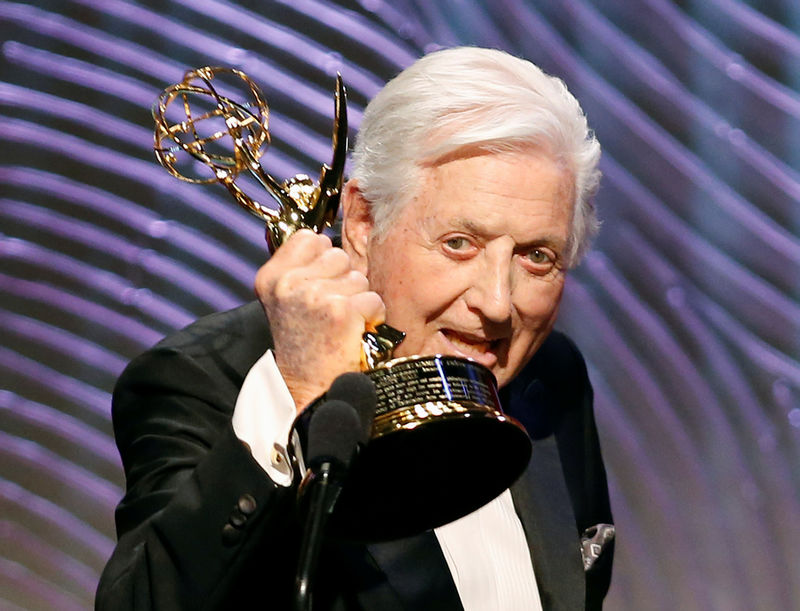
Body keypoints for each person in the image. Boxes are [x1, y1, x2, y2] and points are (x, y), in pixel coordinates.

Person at [96, 47, 614, 610]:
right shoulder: (203, 380)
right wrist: (297, 396)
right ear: (364, 224)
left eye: (536, 256)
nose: (496, 303)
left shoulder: (551, 378)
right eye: (459, 244)